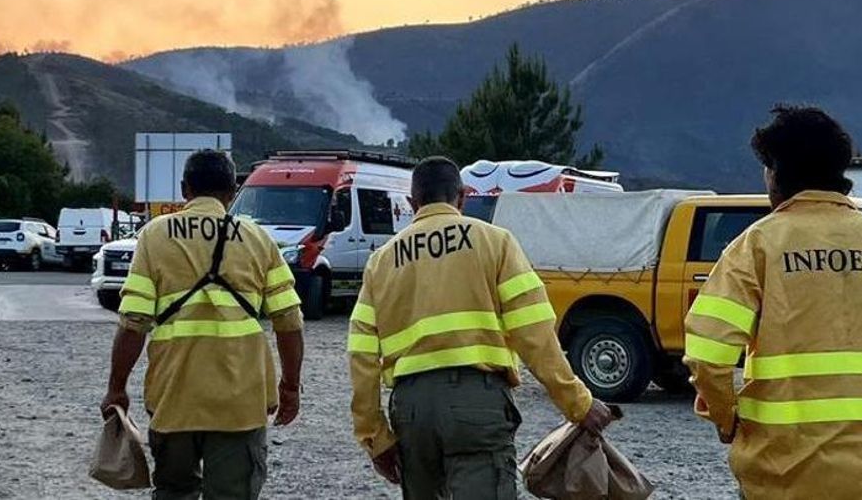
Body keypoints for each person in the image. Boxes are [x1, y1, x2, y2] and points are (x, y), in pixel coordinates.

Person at [684, 105, 862, 499]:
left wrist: (727, 419)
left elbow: (708, 354)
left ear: (776, 172)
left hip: (784, 476)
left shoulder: (755, 247)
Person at [348, 156, 613, 499]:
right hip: (477, 404)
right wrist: (577, 402)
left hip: (412, 409)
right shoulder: (495, 242)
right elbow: (534, 333)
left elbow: (361, 355)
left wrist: (375, 436)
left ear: (412, 203)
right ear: (463, 197)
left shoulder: (380, 262)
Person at [101, 149, 305, 500]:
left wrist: (117, 388)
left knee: (174, 492)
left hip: (173, 395)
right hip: (241, 401)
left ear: (185, 189)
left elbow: (133, 323)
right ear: (233, 191)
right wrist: (290, 386)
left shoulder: (155, 236)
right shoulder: (258, 239)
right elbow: (289, 323)